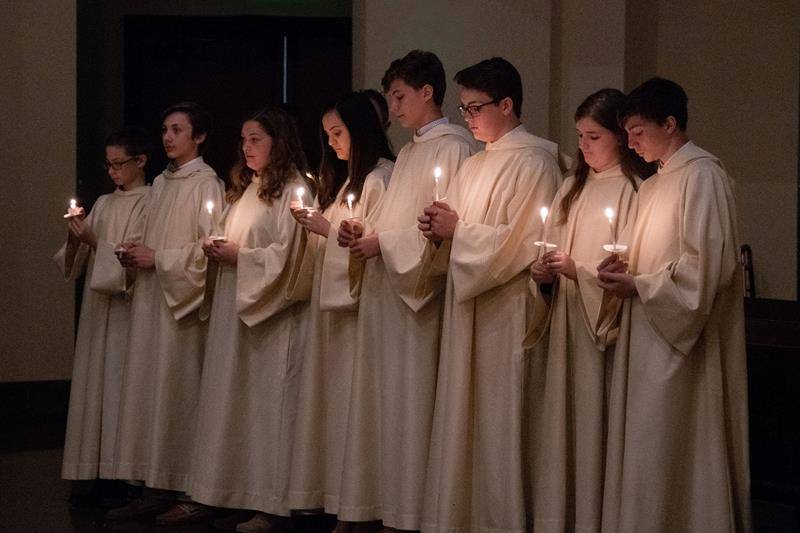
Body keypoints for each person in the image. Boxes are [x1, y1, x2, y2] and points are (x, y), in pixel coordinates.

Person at [596, 78, 751, 533]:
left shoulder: (703, 176)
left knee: (677, 443)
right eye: (627, 132)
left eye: (640, 130)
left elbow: (706, 272)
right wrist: (625, 266)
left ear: (671, 123)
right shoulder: (654, 185)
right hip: (648, 334)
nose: (631, 141)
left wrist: (640, 284)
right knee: (647, 447)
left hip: (682, 344)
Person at [415, 57, 561, 533]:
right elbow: (458, 233)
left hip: (507, 310)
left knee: (502, 422)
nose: (469, 118)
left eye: (476, 107)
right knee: (466, 419)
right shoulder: (476, 163)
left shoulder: (537, 159)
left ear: (507, 103)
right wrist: (438, 232)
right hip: (469, 305)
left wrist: (460, 232)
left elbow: (522, 242)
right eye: (463, 109)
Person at [335, 50, 477, 531]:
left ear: (426, 92)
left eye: (399, 97)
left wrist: (384, 242)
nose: (393, 109)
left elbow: (441, 226)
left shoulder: (454, 148)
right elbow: (395, 221)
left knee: (414, 402)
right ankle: (380, 503)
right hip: (388, 291)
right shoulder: (414, 150)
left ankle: (412, 510)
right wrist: (362, 234)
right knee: (384, 403)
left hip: (420, 298)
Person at [527, 88, 652, 533]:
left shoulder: (637, 190)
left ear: (619, 136)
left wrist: (578, 270)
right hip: (565, 326)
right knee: (562, 431)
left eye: (593, 136)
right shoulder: (570, 188)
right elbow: (548, 249)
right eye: (579, 136)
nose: (583, 146)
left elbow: (636, 267)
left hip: (602, 331)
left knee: (597, 427)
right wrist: (542, 274)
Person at [186, 105, 310, 532]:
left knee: (266, 411)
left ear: (278, 140)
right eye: (243, 139)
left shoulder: (295, 190)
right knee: (233, 407)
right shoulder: (246, 189)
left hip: (270, 322)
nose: (247, 147)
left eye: (256, 138)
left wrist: (242, 256)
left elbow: (292, 257)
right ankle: (231, 492)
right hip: (233, 316)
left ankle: (270, 502)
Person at [107, 102, 224, 524]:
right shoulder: (161, 182)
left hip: (180, 307)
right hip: (152, 302)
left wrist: (159, 259)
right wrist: (133, 254)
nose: (168, 137)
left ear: (199, 136)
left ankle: (186, 486)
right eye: (165, 129)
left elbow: (208, 248)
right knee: (150, 393)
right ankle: (152, 484)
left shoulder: (206, 184)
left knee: (176, 392)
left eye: (178, 129)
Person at [286, 92, 394, 532]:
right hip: (332, 313)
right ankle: (334, 497)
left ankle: (358, 505)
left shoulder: (382, 177)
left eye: (338, 133)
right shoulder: (348, 182)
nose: (331, 143)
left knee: (356, 407)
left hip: (359, 313)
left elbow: (376, 239)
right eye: (327, 135)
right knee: (332, 408)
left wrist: (327, 229)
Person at [56, 127, 151, 505]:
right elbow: (75, 263)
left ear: (140, 161)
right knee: (97, 388)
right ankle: (94, 472)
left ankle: (123, 475)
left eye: (119, 164)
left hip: (129, 310)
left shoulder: (151, 201)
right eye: (108, 165)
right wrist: (76, 238)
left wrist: (97, 242)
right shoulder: (105, 203)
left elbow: (134, 257)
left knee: (121, 390)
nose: (113, 172)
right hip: (100, 313)